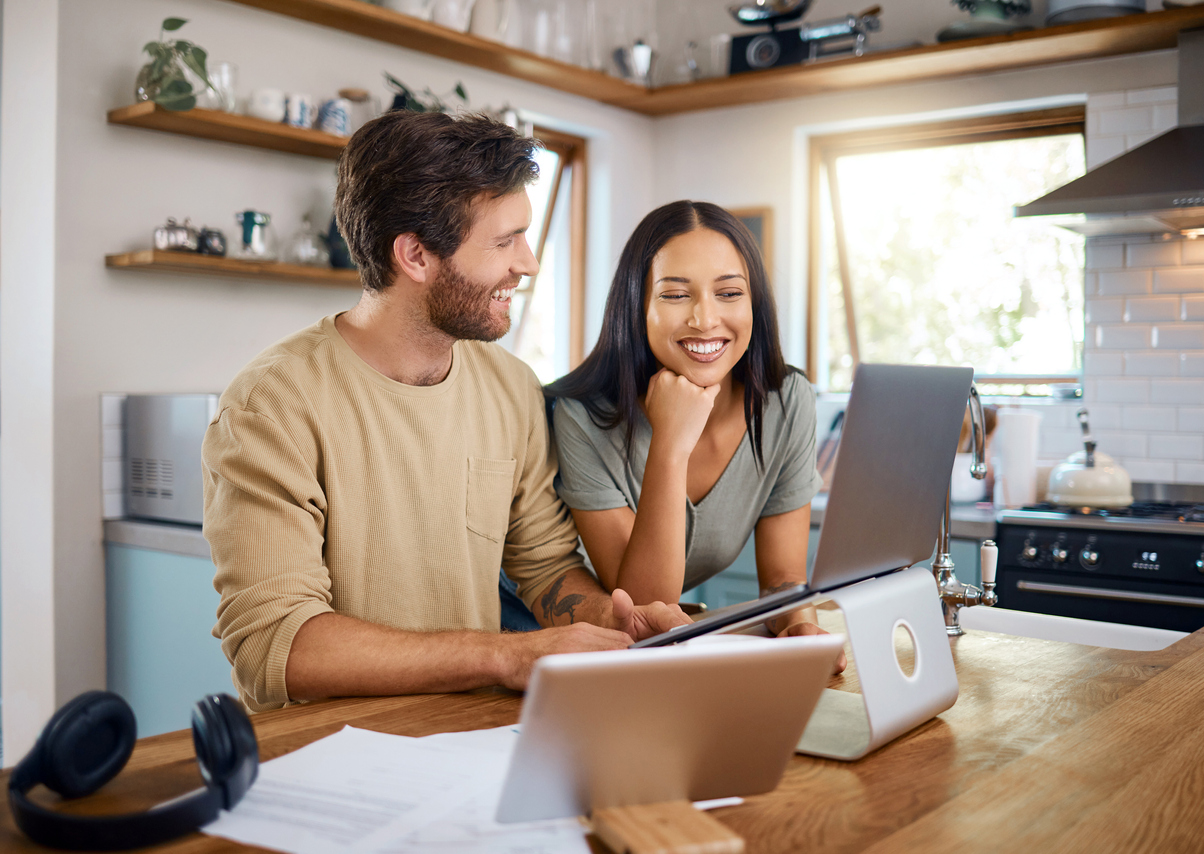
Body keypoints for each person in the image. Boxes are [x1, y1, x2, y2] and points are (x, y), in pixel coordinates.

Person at [202, 111, 688, 714]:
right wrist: (504, 655)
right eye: (504, 240)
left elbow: (544, 568)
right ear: (415, 255)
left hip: (471, 738)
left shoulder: (511, 387)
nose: (529, 262)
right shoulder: (273, 404)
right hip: (326, 756)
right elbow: (278, 648)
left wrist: (616, 626)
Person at [546, 201, 843, 659]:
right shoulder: (580, 416)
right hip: (551, 641)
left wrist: (799, 625)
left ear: (754, 304)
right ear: (637, 305)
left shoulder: (786, 401)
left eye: (729, 293)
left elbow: (784, 577)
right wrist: (669, 447)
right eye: (675, 294)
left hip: (648, 654)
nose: (705, 319)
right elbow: (645, 607)